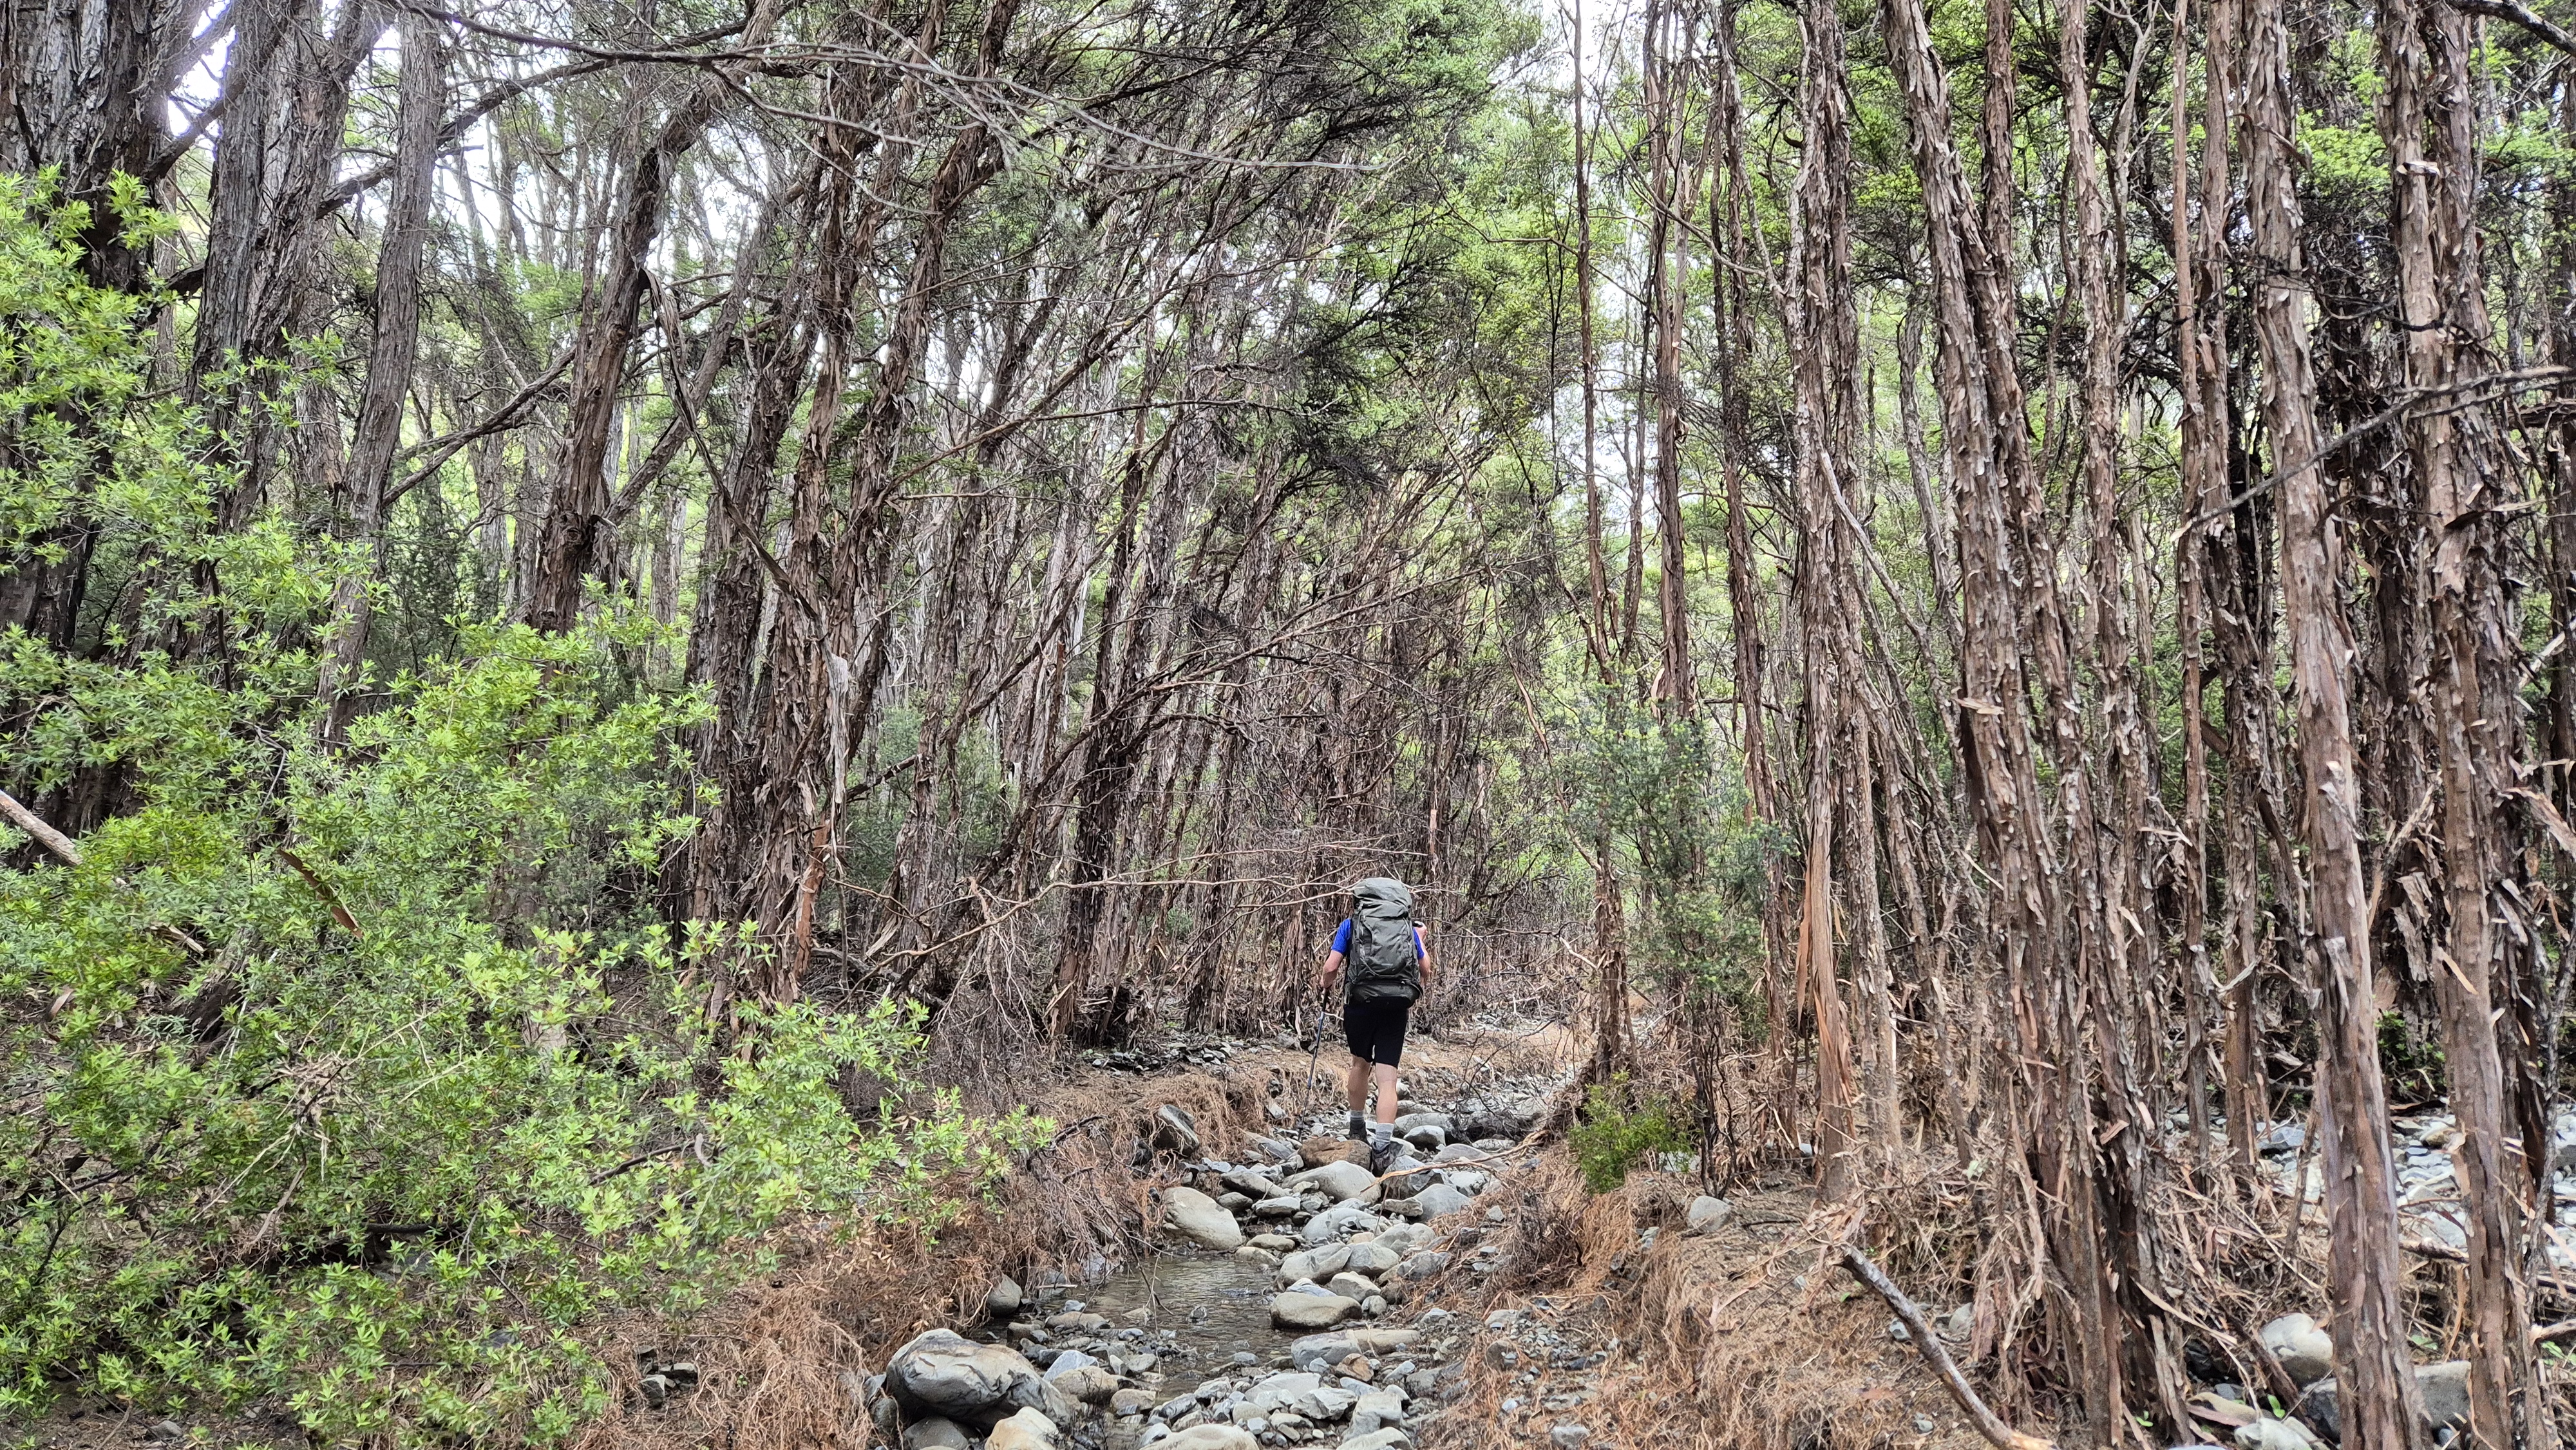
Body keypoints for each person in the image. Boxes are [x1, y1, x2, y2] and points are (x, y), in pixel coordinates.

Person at [1316, 876, 1431, 1174]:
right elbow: (1426, 968)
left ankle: (1357, 1131)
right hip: (1396, 1005)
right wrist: (1422, 947)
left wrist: (1326, 984)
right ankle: (1382, 1149)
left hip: (1360, 1003)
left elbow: (1331, 967)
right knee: (1388, 1079)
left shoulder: (1351, 924)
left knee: (1359, 1064)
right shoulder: (1408, 928)